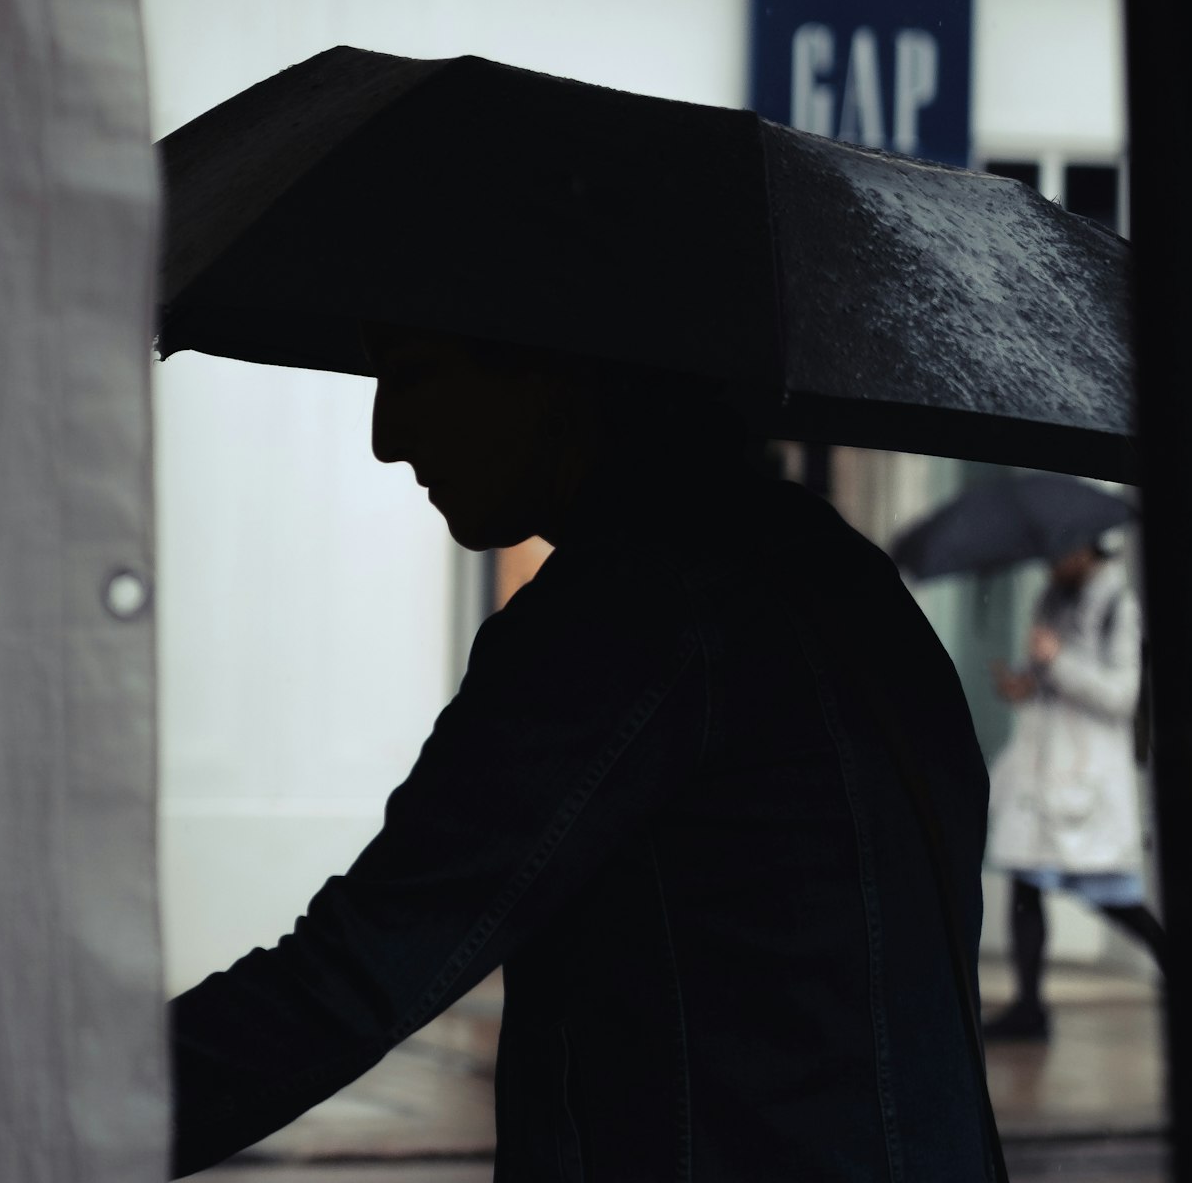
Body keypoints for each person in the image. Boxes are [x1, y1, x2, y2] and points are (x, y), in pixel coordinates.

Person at [169, 327, 999, 1180]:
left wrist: (74, 1112)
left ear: (551, 372)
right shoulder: (838, 573)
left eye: (413, 373)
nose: (386, 435)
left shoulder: (632, 613)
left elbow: (363, 971)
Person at [985, 541, 1165, 1042]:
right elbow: (1050, 681)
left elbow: (1122, 697)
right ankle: (1028, 1007)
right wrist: (1024, 683)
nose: (1051, 565)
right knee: (1025, 885)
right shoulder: (1049, 598)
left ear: (1088, 551)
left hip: (1086, 778)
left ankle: (1188, 975)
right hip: (1042, 769)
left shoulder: (1118, 607)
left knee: (1115, 897)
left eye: (1060, 554)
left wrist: (1058, 661)